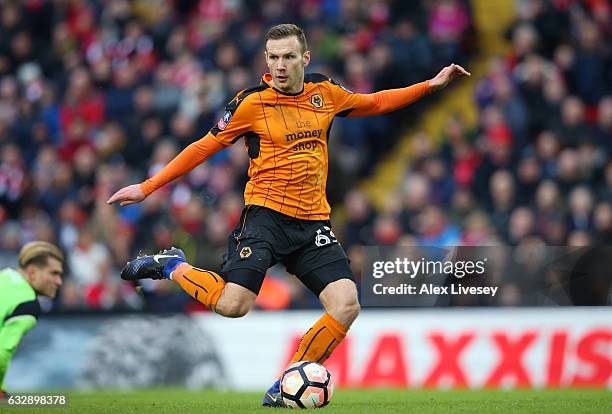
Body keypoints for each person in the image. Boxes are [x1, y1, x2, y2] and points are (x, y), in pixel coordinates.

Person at [107, 23, 469, 406]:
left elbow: (375, 102)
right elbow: (201, 148)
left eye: (288, 57)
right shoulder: (250, 104)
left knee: (347, 304)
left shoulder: (324, 93)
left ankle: (285, 386)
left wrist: (430, 85)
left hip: (313, 223)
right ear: (266, 59)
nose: (280, 65)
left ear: (304, 58)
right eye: (273, 57)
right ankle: (171, 266)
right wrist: (146, 187)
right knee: (233, 306)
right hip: (264, 218)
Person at [0, 241, 64, 399]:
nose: (59, 282)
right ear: (32, 272)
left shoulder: (5, 276)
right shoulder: (28, 304)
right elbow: (2, 353)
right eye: (53, 273)